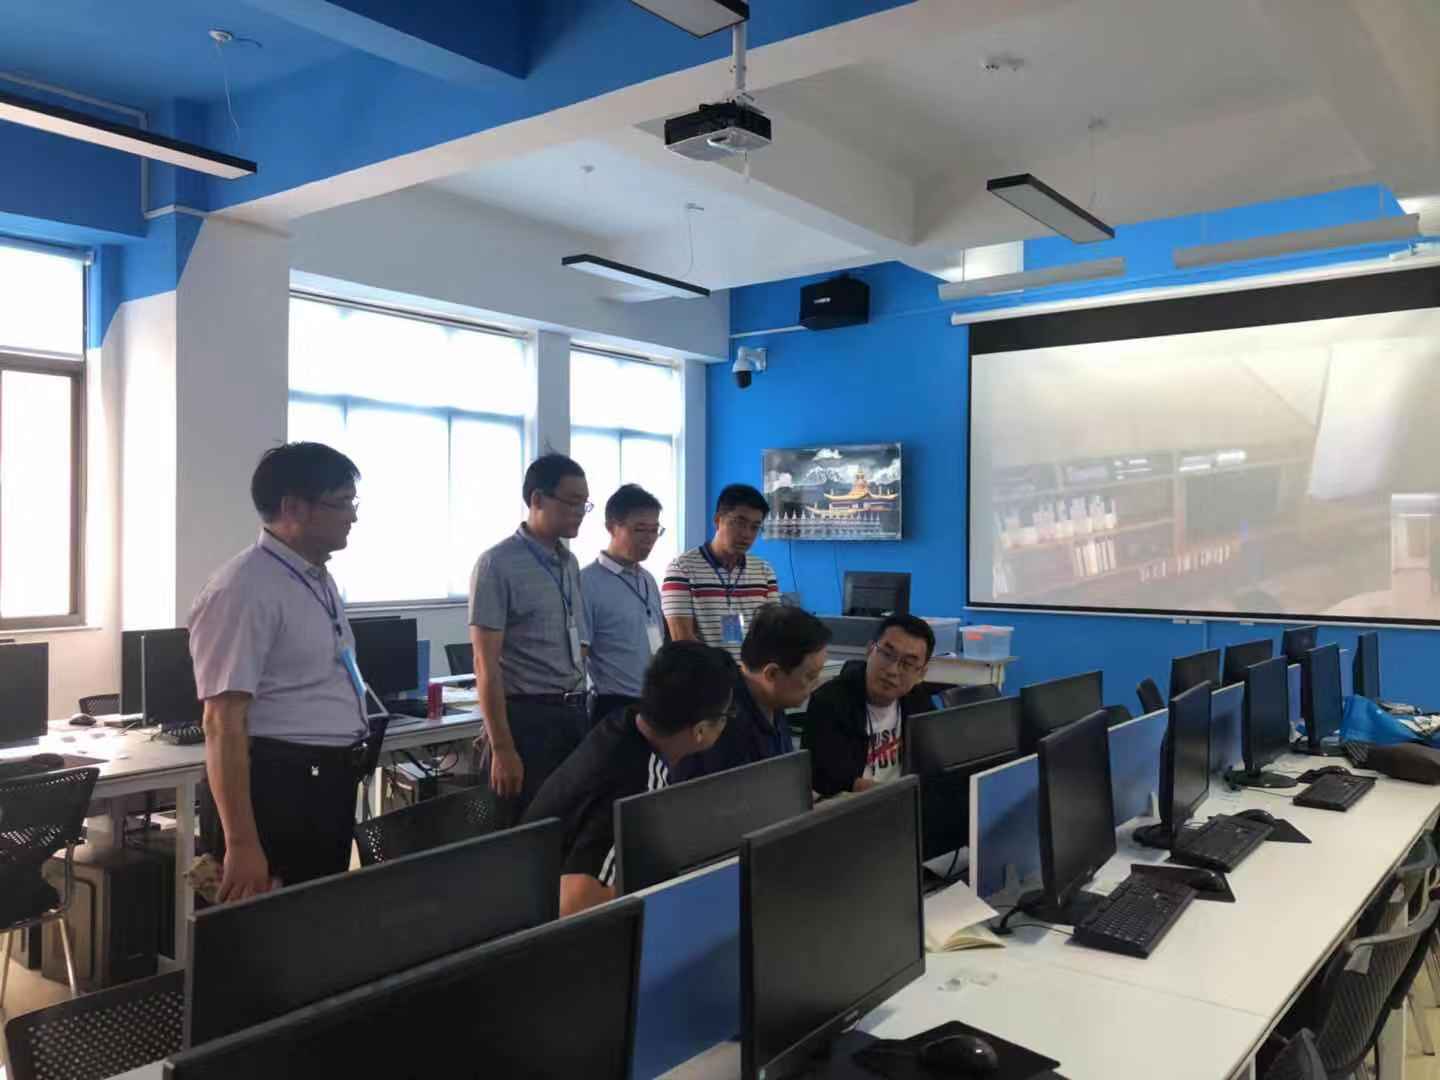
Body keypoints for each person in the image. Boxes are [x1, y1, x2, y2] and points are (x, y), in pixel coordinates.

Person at [189, 442, 371, 900]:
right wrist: (241, 843)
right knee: (264, 930)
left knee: (312, 918)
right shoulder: (243, 589)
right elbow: (221, 723)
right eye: (341, 503)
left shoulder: (316, 578)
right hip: (275, 789)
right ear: (293, 508)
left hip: (323, 783)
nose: (352, 516)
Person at [522, 641, 735, 916]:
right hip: (536, 923)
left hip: (521, 881)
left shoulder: (623, 722)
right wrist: (662, 888)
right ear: (701, 730)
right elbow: (574, 904)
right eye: (726, 715)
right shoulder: (638, 786)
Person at [469, 454, 593, 816]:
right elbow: (484, 664)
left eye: (585, 504)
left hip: (574, 714)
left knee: (569, 823)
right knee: (526, 827)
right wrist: (502, 748)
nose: (580, 512)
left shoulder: (569, 563)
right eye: (572, 502)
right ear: (537, 499)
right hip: (527, 721)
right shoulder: (497, 564)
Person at [671, 604, 830, 783]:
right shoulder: (720, 725)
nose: (816, 684)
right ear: (772, 673)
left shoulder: (773, 699)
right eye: (810, 676)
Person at [805, 614, 935, 798]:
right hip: (853, 805)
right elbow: (825, 778)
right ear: (869, 650)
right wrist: (895, 795)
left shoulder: (918, 701)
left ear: (921, 674)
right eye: (887, 654)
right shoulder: (830, 702)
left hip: (904, 801)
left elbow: (933, 763)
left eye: (907, 664)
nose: (892, 670)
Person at [580, 484, 668, 725]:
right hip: (613, 707)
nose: (649, 538)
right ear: (611, 527)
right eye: (639, 529)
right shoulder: (587, 582)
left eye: (654, 530)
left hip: (654, 702)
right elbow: (579, 656)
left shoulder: (648, 579)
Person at [662, 484, 778, 657]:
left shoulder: (764, 571)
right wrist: (723, 671)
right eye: (739, 523)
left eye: (755, 527)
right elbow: (683, 640)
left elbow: (772, 631)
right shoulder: (682, 569)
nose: (746, 534)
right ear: (717, 520)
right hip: (704, 671)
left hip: (753, 671)